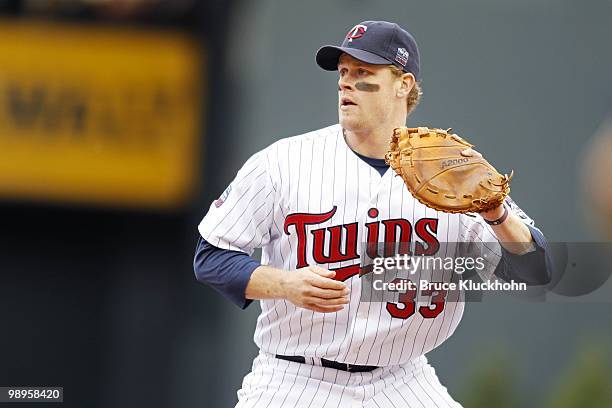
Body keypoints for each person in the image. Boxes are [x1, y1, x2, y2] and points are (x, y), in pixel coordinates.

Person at [194, 20, 551, 407]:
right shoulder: (282, 164)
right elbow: (211, 258)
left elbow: (536, 271)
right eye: (343, 72)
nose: (346, 83)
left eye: (363, 73)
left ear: (404, 85)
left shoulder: (451, 171)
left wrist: (496, 212)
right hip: (295, 377)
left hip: (403, 380)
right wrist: (284, 284)